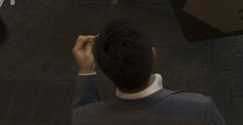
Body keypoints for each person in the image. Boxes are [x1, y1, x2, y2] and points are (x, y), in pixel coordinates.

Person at [72, 18, 226, 123]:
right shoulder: (199, 110)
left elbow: (86, 115)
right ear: (152, 54)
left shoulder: (84, 118)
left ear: (105, 74)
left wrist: (86, 71)